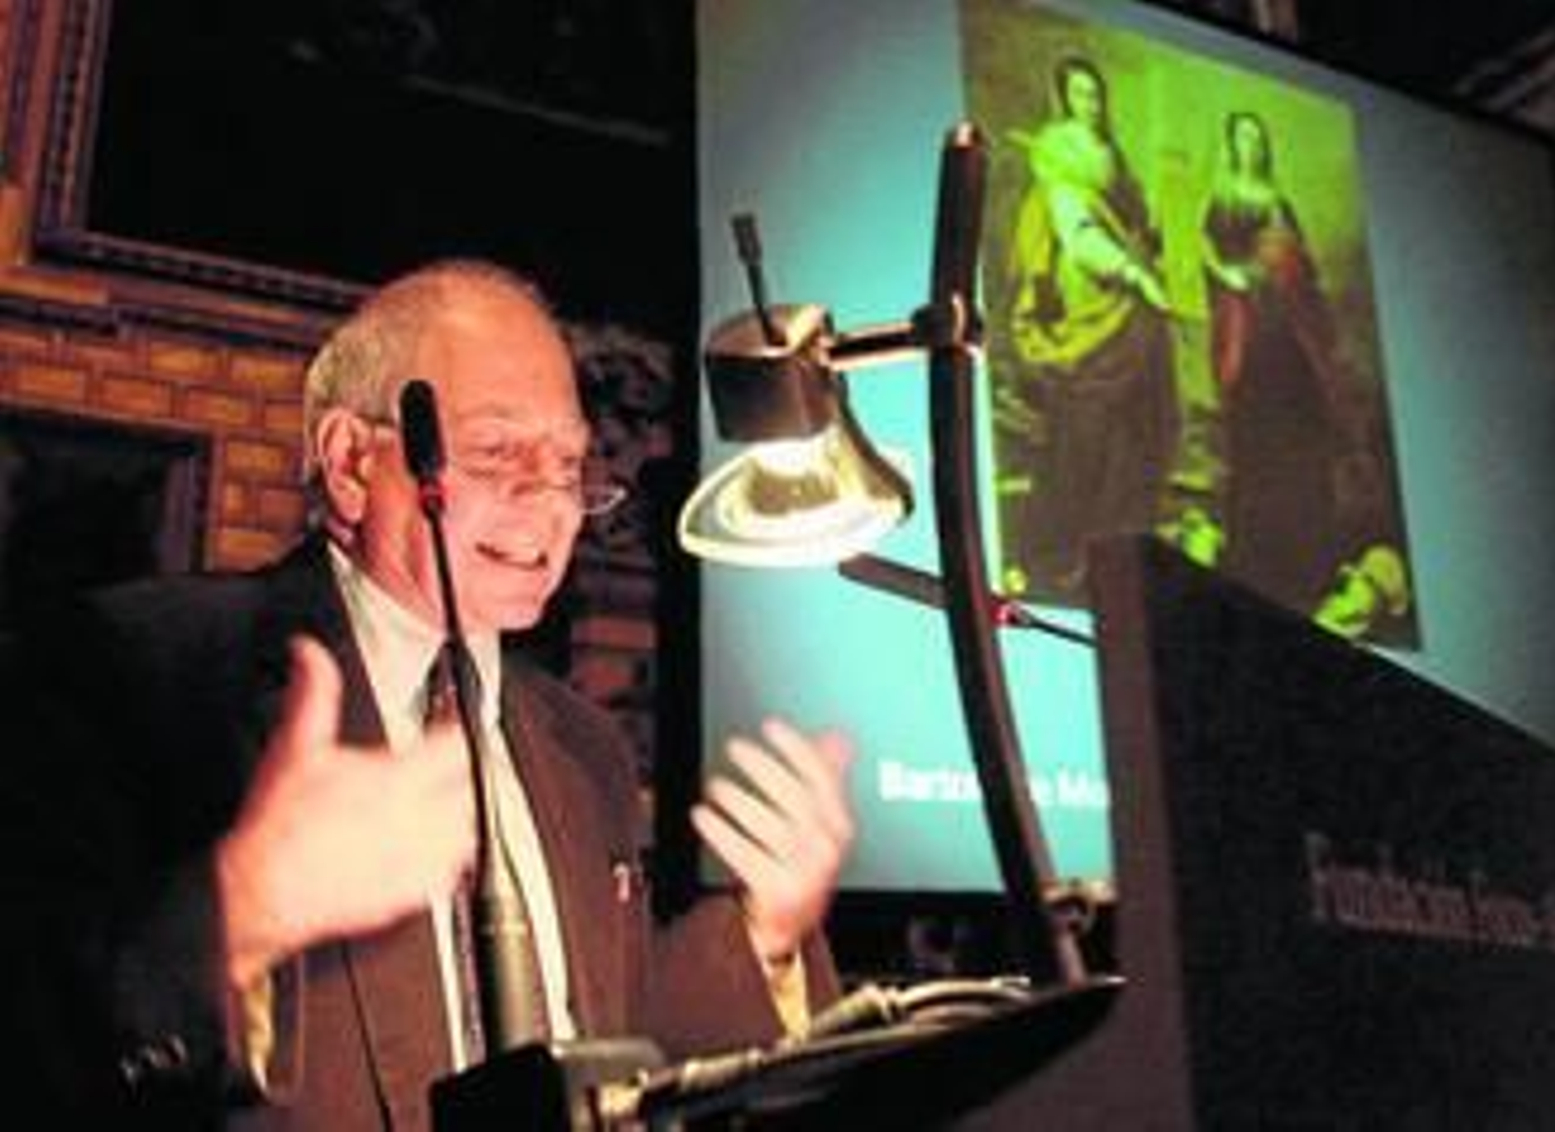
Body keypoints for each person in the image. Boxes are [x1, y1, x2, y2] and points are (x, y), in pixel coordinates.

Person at [0, 260, 856, 1129]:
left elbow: (612, 1044)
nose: (549, 505)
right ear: (348, 463)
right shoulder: (140, 663)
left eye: (567, 465)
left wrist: (763, 938)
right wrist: (242, 908)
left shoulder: (584, 744)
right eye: (495, 453)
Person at [998, 54, 1180, 605]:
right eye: (1080, 95)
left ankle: (1117, 550)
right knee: (1084, 440)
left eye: (1096, 95)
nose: (1091, 105)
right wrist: (1135, 275)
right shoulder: (1063, 165)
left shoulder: (1112, 158)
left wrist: (1148, 242)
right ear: (1064, 99)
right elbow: (1082, 239)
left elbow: (1133, 224)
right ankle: (1057, 555)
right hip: (1089, 313)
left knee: (1133, 435)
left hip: (1129, 322)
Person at [1201, 110, 1368, 610]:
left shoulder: (1280, 201)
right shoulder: (1224, 198)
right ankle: (1257, 558)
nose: (1250, 146)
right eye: (1242, 138)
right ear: (1232, 145)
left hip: (1290, 331)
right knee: (1256, 442)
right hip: (1250, 332)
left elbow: (1306, 267)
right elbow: (1208, 253)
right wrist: (1234, 276)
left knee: (1304, 433)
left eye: (1257, 137)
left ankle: (1309, 554)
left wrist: (1287, 266)